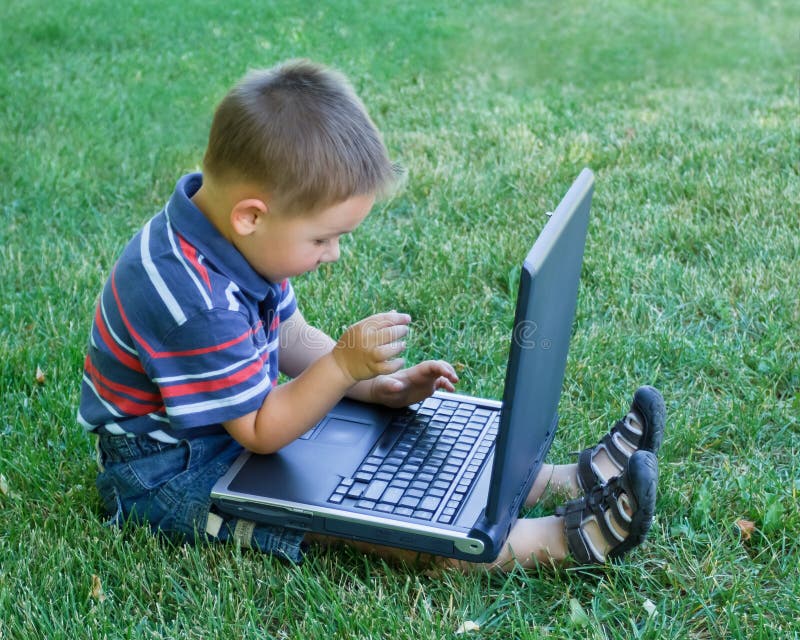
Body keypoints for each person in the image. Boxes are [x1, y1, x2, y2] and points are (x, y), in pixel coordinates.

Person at [78, 59, 665, 571]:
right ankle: (553, 543)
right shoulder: (193, 299)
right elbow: (261, 432)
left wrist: (373, 386)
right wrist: (339, 368)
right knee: (358, 517)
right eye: (323, 239)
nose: (333, 254)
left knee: (380, 443)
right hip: (170, 470)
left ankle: (558, 480)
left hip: (225, 427)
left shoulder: (232, 239)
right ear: (252, 216)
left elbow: (286, 333)